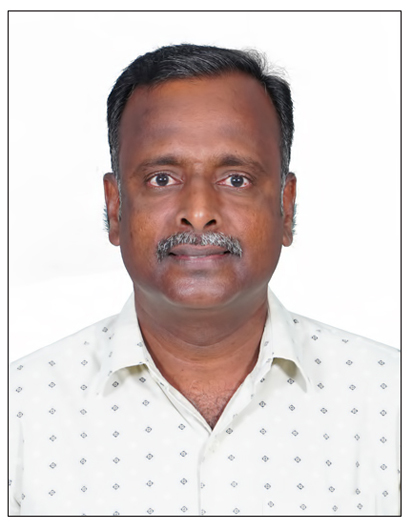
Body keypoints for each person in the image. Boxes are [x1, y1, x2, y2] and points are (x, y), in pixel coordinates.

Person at [9, 44, 399, 516]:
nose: (197, 213)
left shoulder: (393, 402)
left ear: (286, 206)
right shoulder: (20, 413)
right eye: (162, 179)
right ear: (115, 208)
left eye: (236, 179)